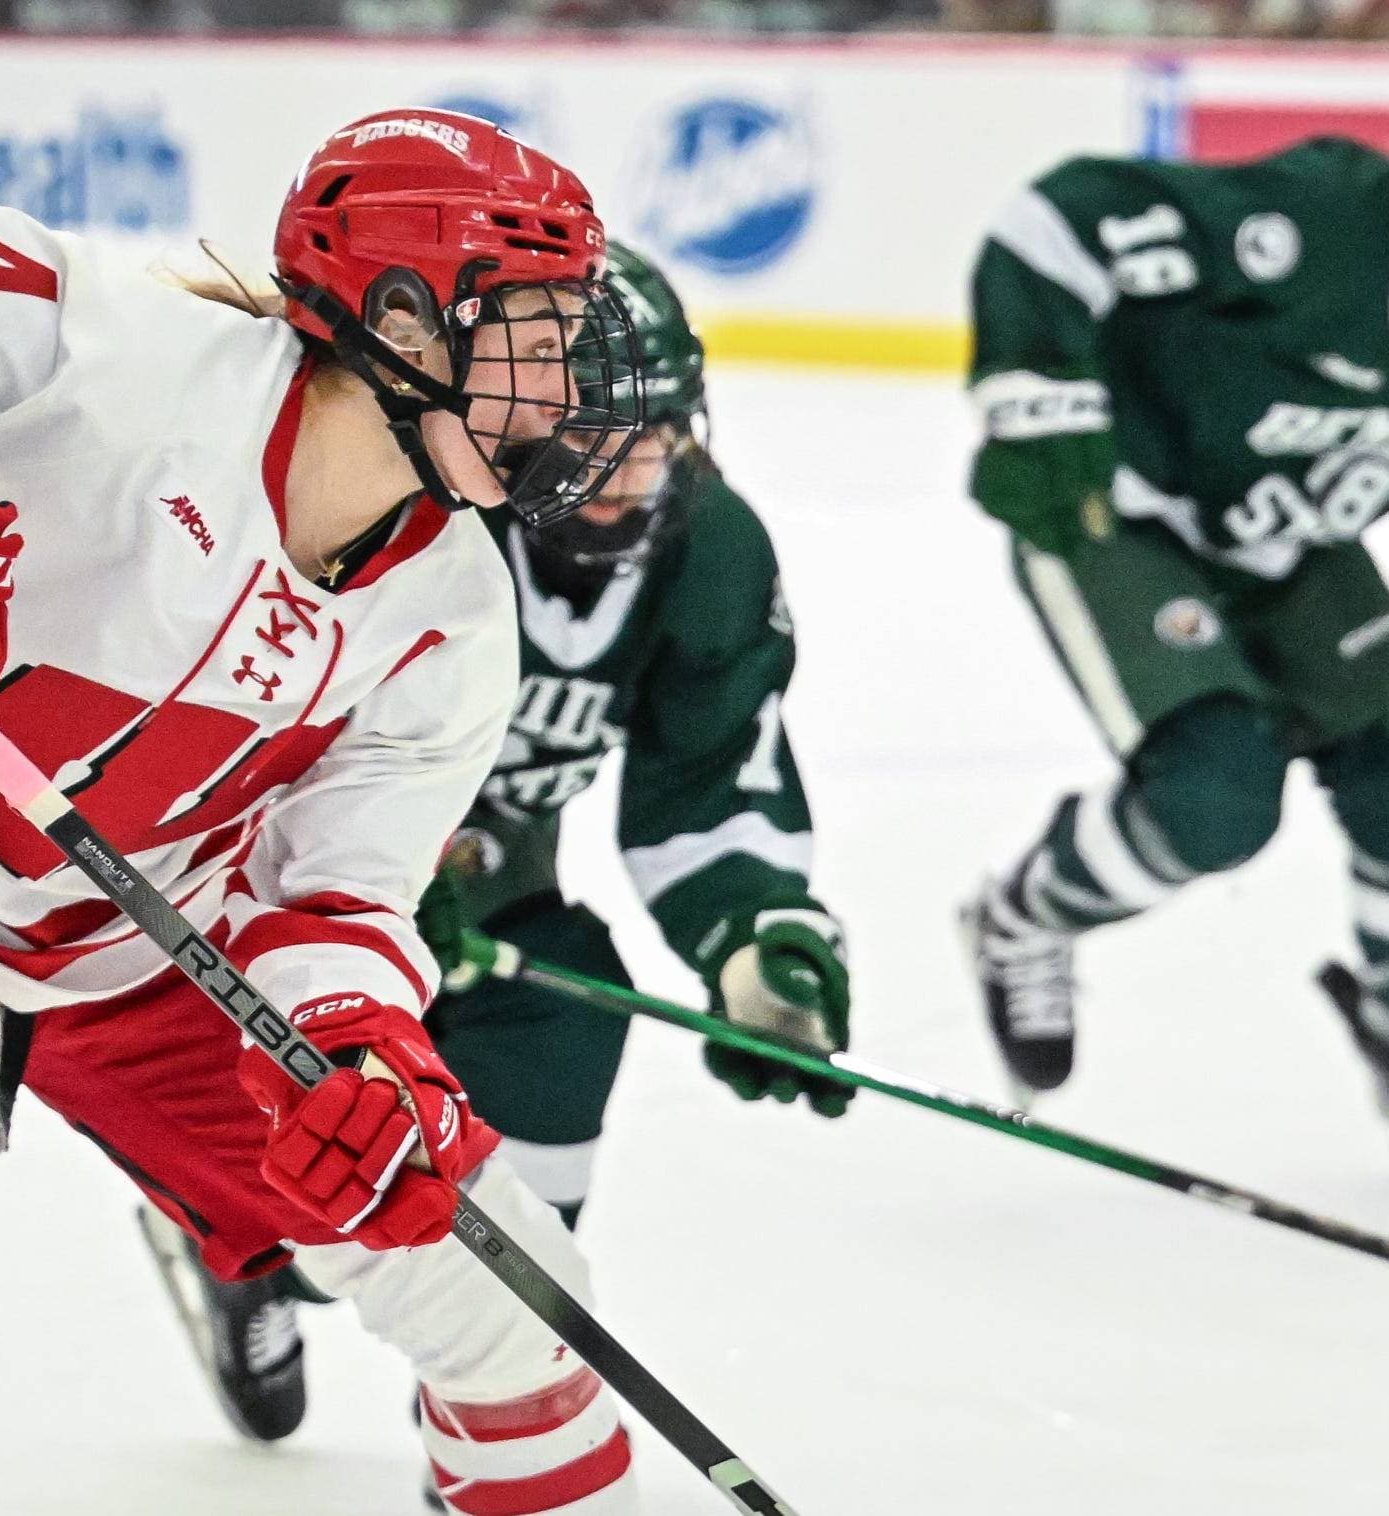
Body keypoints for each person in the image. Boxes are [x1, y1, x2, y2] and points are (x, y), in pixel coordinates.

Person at [0, 108, 652, 1516]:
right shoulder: (114, 353)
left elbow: (335, 897)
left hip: (129, 943)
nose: (565, 391)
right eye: (532, 335)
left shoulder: (455, 616)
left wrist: (365, 1049)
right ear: (400, 318)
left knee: (503, 1287)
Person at [139, 243, 852, 1462]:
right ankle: (247, 1251)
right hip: (287, 902)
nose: (642, 475)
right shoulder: (415, 514)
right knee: (322, 1157)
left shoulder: (709, 548)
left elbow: (707, 777)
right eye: (606, 443)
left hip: (487, 902)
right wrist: (379, 894)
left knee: (572, 1013)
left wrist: (755, 936)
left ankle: (488, 1415)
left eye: (663, 435)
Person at [958, 137, 1389, 1107]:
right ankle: (1023, 916)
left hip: (1291, 533)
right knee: (1216, 799)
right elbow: (1062, 218)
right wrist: (1036, 403)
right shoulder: (1338, 221)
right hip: (1122, 509)